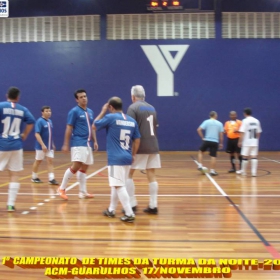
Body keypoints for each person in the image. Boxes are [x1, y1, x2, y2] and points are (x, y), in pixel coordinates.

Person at [94, 97, 140, 223]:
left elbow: (94, 125)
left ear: (111, 107)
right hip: (127, 157)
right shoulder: (132, 121)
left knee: (118, 186)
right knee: (117, 185)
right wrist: (134, 154)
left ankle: (129, 213)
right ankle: (111, 209)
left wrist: (103, 111)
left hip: (115, 158)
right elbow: (137, 139)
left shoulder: (111, 117)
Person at [57, 89, 98, 200]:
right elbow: (69, 127)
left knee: (84, 168)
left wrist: (95, 141)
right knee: (76, 166)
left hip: (87, 143)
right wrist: (66, 144)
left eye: (85, 96)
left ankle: (82, 192)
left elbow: (92, 128)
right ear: (77, 100)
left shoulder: (90, 111)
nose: (84, 98)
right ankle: (62, 188)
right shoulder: (74, 111)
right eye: (81, 97)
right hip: (78, 142)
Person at [126, 85, 161, 214]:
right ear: (144, 96)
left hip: (139, 144)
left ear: (133, 96)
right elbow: (156, 126)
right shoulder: (152, 107)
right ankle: (153, 205)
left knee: (128, 174)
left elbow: (129, 128)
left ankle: (132, 203)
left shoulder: (132, 107)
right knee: (151, 174)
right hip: (153, 144)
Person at [0, 87, 35, 211]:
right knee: (14, 174)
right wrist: (24, 134)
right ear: (18, 98)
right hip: (17, 145)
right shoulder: (23, 109)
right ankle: (10, 204)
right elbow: (31, 121)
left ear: (6, 95)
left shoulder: (1, 106)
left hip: (2, 144)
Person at [31, 106, 59, 185]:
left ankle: (51, 179)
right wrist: (43, 145)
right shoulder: (39, 121)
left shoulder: (50, 121)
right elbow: (37, 134)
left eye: (49, 111)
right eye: (46, 111)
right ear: (42, 112)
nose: (48, 112)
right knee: (38, 161)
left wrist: (52, 144)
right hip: (41, 147)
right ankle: (34, 177)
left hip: (49, 146)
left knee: (50, 161)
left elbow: (50, 134)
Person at [237, 108, 262, 176]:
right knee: (254, 156)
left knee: (245, 157)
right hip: (254, 141)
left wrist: (240, 141)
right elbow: (259, 132)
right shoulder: (256, 121)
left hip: (247, 142)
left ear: (245, 113)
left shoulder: (245, 121)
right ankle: (254, 173)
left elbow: (242, 132)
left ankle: (244, 172)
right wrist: (256, 140)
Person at [197, 111, 224, 176]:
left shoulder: (206, 122)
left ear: (210, 116)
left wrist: (202, 138)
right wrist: (221, 143)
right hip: (215, 142)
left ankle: (200, 165)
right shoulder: (219, 123)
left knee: (201, 152)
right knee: (213, 156)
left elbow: (198, 130)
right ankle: (212, 171)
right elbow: (221, 135)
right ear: (216, 116)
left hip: (207, 140)